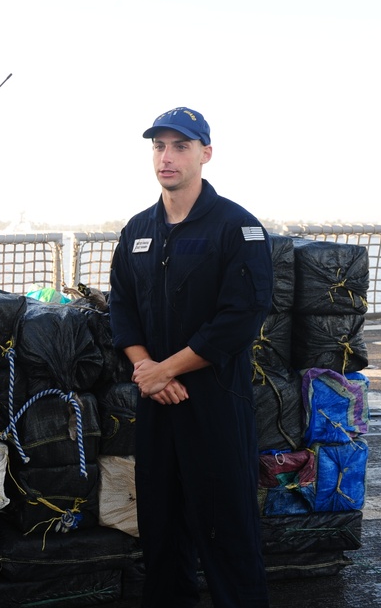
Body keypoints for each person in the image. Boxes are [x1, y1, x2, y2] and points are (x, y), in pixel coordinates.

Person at [108, 107, 273, 607]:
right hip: (157, 401)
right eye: (159, 146)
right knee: (160, 530)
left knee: (227, 530)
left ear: (205, 153)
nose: (167, 156)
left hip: (214, 402)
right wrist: (147, 371)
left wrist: (167, 369)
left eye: (180, 146)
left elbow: (241, 317)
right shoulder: (138, 229)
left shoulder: (236, 228)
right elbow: (121, 307)